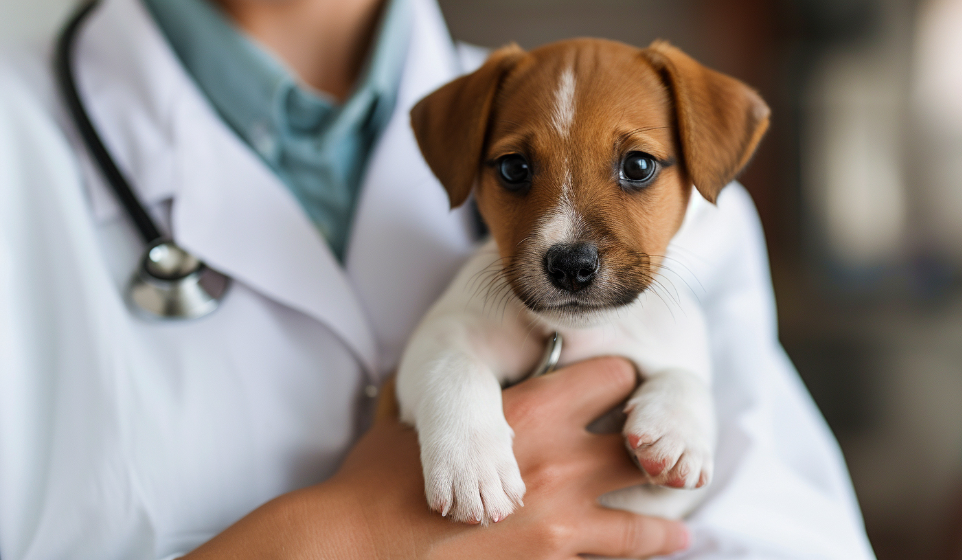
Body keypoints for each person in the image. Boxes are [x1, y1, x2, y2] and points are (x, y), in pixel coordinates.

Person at [0, 0, 877, 557]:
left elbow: (789, 534)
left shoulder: (696, 217)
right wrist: (344, 538)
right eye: (515, 172)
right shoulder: (20, 139)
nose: (571, 237)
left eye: (639, 170)